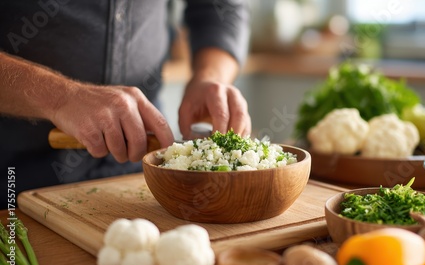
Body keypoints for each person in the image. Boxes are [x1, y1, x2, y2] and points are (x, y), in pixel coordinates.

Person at [0, 0, 251, 209]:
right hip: (13, 183)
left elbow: (220, 7)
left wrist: (210, 76)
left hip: (144, 176)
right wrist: (58, 98)